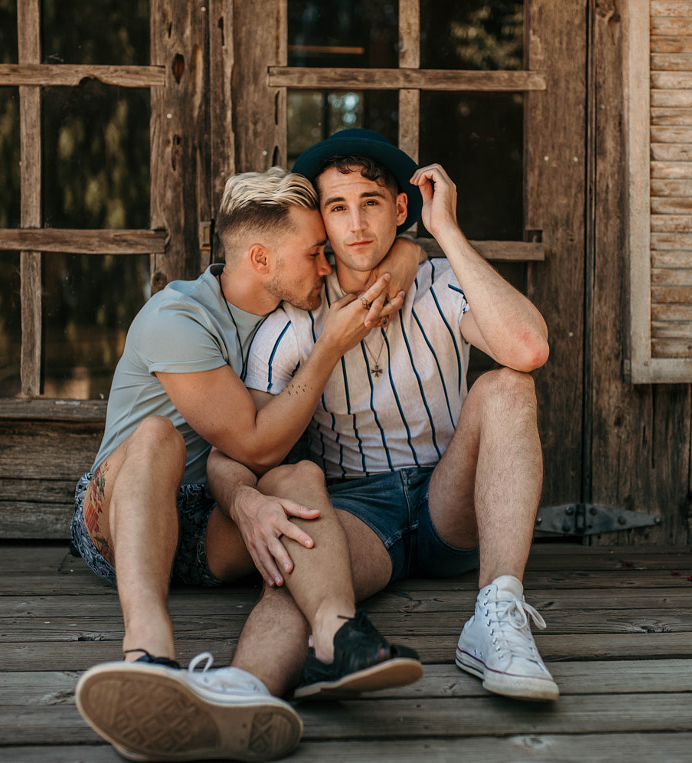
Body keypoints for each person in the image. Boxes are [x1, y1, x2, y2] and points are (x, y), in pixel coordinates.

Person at [72, 166, 423, 763]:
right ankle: (148, 655)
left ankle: (337, 640)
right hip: (124, 511)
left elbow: (402, 255)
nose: (324, 264)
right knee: (159, 437)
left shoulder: (295, 306)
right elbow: (256, 443)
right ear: (260, 260)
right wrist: (330, 347)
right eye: (314, 252)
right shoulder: (177, 318)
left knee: (305, 482)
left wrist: (409, 251)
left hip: (213, 523)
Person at [228, 128, 558, 702]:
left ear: (401, 208)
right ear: (321, 222)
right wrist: (244, 499)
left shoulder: (439, 283)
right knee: (301, 576)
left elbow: (528, 347)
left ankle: (496, 612)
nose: (355, 224)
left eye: (371, 203)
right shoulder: (291, 324)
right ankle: (239, 692)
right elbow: (248, 449)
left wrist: (444, 231)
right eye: (338, 207)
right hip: (359, 514)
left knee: (509, 386)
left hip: (447, 503)